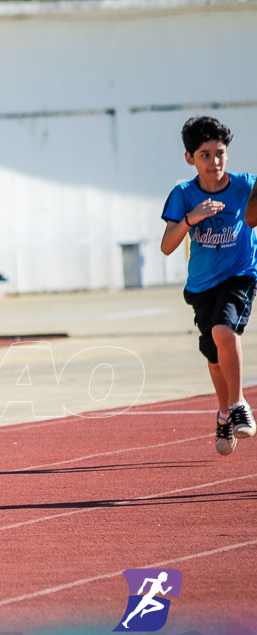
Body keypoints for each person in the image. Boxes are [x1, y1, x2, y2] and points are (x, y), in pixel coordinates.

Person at [165, 116, 257, 455]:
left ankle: (237, 404)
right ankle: (223, 412)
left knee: (224, 331)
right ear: (190, 158)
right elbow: (166, 244)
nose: (214, 161)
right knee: (215, 357)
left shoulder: (246, 186)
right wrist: (193, 218)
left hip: (240, 275)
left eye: (220, 154)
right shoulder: (184, 195)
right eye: (205, 155)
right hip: (201, 286)